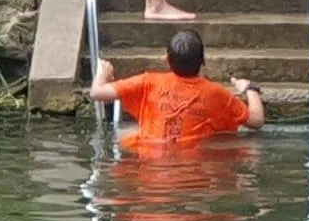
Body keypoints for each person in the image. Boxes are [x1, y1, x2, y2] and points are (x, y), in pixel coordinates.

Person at [89, 31, 266, 146]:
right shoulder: (216, 94)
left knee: (126, 135)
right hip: (194, 166)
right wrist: (250, 89)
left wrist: (103, 73)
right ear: (203, 61)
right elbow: (257, 120)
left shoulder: (148, 82)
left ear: (167, 59)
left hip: (150, 165)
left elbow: (96, 93)